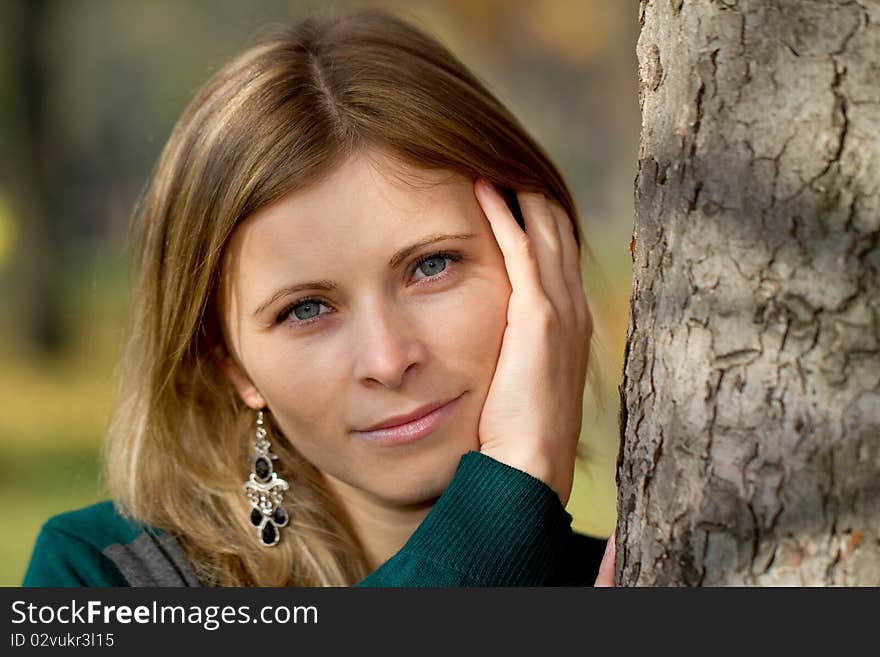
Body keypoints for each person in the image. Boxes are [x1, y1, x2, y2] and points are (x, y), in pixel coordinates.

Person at [22, 8, 616, 587]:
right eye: (305, 309)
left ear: (540, 260)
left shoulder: (656, 573)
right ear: (228, 360)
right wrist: (505, 498)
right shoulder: (101, 578)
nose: (387, 360)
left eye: (431, 266)